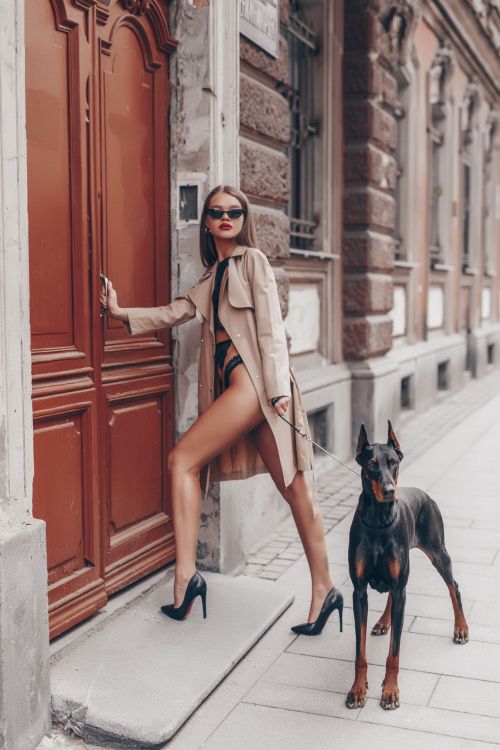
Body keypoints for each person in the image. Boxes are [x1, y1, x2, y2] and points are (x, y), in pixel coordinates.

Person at [101, 185, 343, 635]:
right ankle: (325, 589)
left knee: (182, 461)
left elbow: (272, 328)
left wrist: (276, 390)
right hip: (245, 393)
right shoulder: (211, 278)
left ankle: (186, 576)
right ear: (207, 223)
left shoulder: (253, 262)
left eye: (235, 211)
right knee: (294, 488)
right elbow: (172, 312)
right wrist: (119, 313)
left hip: (258, 389)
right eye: (217, 212)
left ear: (243, 219)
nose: (226, 217)